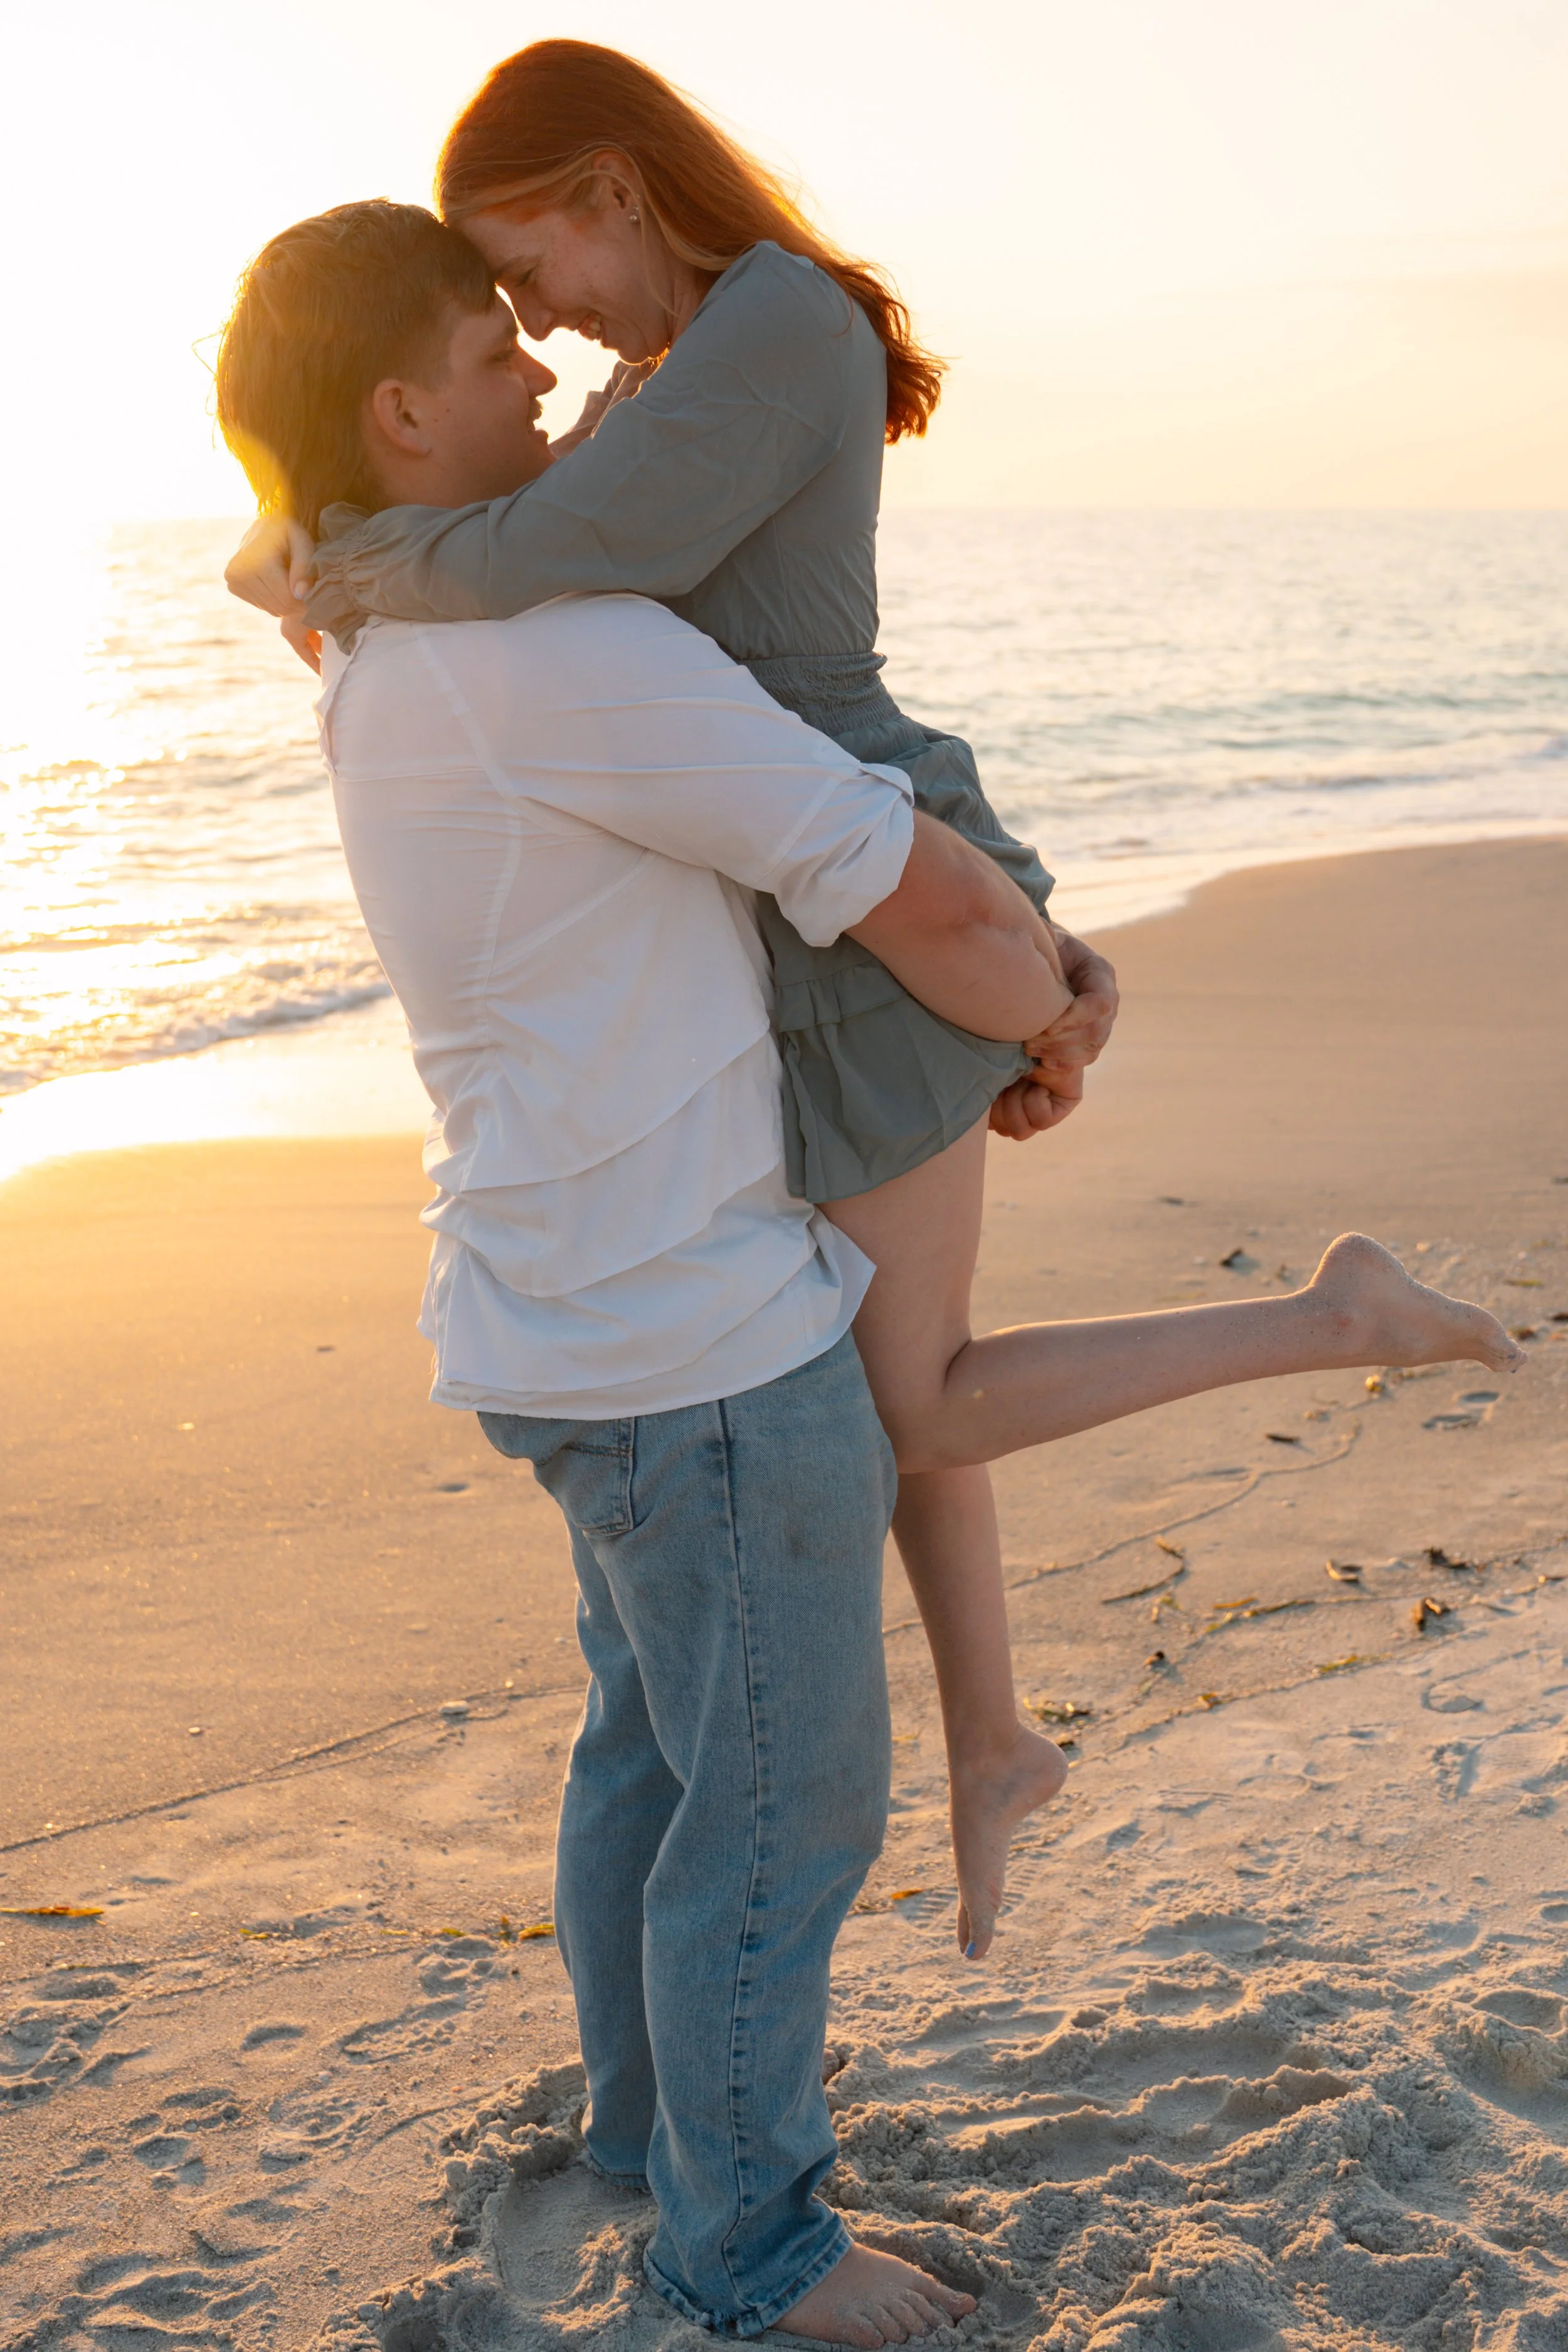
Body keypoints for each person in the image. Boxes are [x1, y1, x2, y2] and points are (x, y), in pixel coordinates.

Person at [218, 197, 1521, 2349]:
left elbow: (289, 557)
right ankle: (752, 2254)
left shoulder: (370, 649)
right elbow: (902, 882)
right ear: (400, 408)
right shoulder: (570, 650)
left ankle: (649, 2141)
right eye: (490, 346)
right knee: (781, 1809)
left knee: (647, 1759)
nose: (539, 375)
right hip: (699, 1346)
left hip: (545, 1319)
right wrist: (1050, 1015)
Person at [223, 38, 1114, 1964]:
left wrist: (351, 548)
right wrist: (304, 542)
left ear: (610, 184)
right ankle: (993, 1741)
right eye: (492, 318)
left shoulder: (779, 322)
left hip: (858, 871)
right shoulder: (663, 368)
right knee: (906, 1396)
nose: (526, 323)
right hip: (799, 899)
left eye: (521, 263)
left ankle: (1307, 1341)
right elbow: (522, 562)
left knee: (913, 1397)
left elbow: (576, 554)